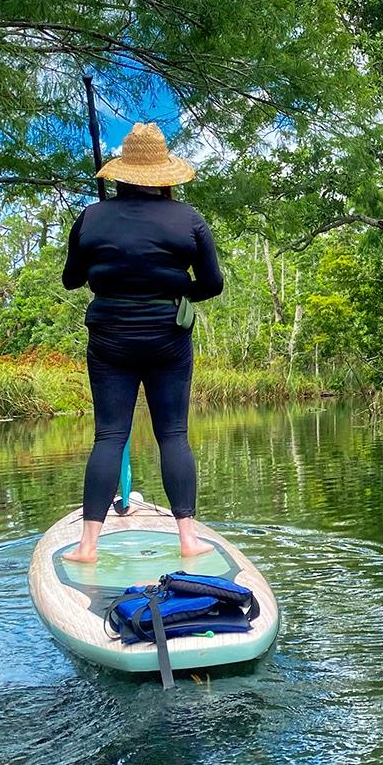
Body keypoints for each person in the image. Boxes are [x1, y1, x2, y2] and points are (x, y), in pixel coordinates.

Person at [60, 122, 223, 563]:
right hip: (168, 335)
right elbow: (212, 283)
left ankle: (88, 546)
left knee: (109, 435)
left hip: (110, 335)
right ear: (164, 176)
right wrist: (173, 289)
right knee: (173, 434)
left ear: (121, 174)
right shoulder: (188, 219)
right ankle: (188, 539)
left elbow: (72, 279)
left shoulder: (92, 217)